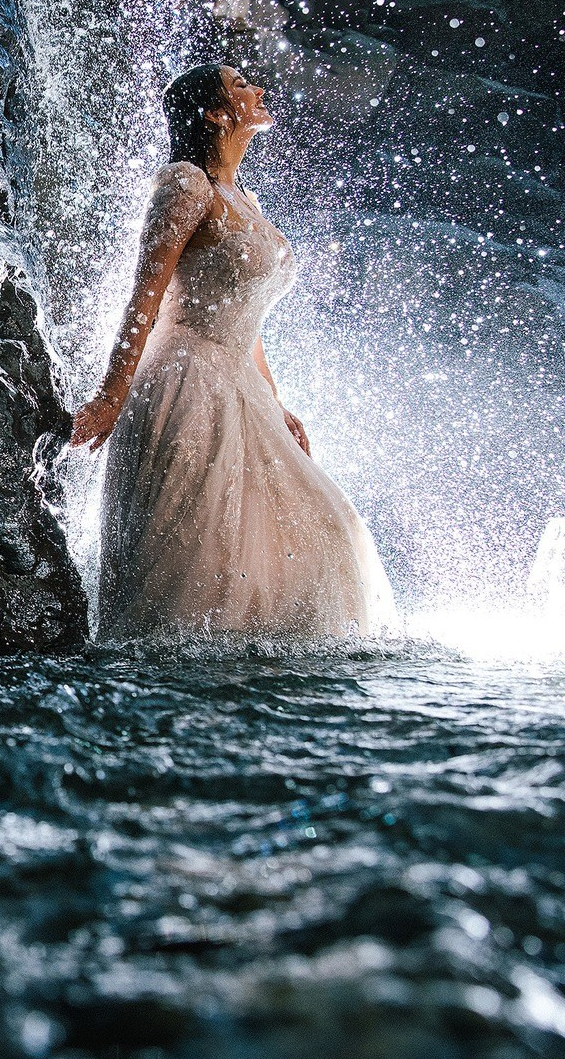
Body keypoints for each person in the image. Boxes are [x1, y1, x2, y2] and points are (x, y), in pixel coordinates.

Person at [68, 64, 396, 641]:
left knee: (323, 527)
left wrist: (277, 401)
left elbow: (246, 315)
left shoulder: (242, 197)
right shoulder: (186, 184)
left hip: (238, 382)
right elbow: (144, 297)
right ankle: (162, 681)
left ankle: (259, 674)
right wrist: (111, 394)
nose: (259, 90)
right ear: (217, 114)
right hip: (185, 383)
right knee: (201, 545)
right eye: (241, 86)